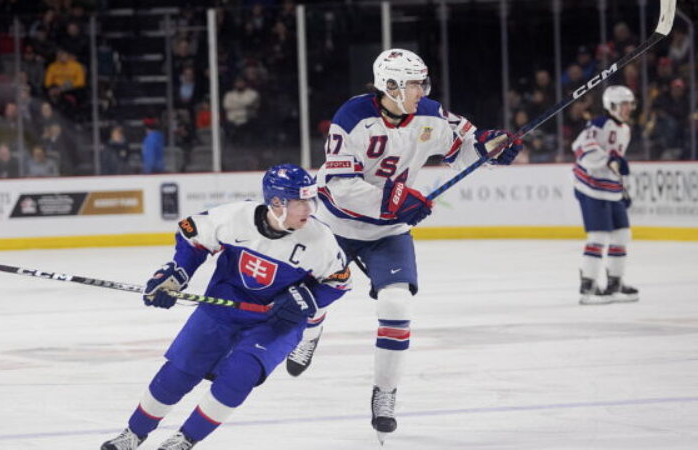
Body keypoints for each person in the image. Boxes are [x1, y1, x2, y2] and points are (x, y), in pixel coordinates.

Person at [285, 48, 522, 443]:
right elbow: (341, 187)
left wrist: (490, 148)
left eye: (421, 83)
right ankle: (309, 337)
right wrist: (396, 199)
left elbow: (463, 148)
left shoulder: (429, 113)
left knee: (397, 304)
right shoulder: (352, 118)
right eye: (414, 84)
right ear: (390, 86)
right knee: (314, 298)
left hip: (387, 231)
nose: (422, 90)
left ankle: (385, 394)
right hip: (337, 223)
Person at [101, 164, 350, 450]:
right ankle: (133, 434)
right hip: (222, 308)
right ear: (277, 202)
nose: (309, 208)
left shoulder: (320, 241)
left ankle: (184, 439)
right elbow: (192, 235)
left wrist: (305, 299)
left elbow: (339, 282)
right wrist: (175, 275)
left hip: (274, 321)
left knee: (240, 375)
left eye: (310, 199)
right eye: (300, 201)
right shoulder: (236, 217)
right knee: (179, 371)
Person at [571, 85, 639, 305]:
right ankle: (588, 286)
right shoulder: (599, 123)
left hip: (611, 189)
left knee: (622, 235)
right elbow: (581, 147)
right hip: (590, 187)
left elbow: (616, 162)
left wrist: (623, 188)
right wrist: (607, 159)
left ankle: (615, 284)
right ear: (611, 105)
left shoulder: (626, 129)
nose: (628, 108)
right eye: (624, 104)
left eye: (630, 104)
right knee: (598, 237)